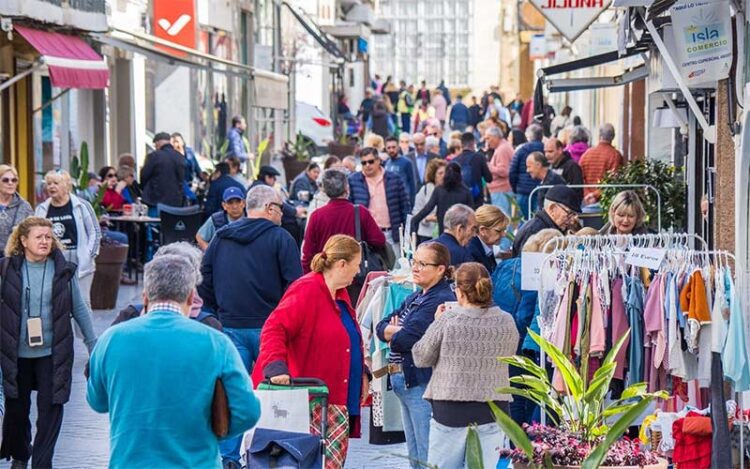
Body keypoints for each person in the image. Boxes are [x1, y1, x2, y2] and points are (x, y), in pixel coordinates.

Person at [87, 254, 261, 468]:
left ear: (145, 297)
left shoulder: (111, 339)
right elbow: (248, 411)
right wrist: (214, 432)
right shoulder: (216, 343)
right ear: (190, 297)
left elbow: (97, 401)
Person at [198, 185, 303, 466]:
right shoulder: (281, 239)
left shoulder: (221, 237)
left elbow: (204, 280)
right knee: (279, 397)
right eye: (281, 207)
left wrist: (221, 310)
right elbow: (296, 288)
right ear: (269, 208)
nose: (283, 213)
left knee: (231, 394)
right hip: (272, 330)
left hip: (231, 326)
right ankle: (277, 455)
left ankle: (228, 459)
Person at [253, 235, 368, 468]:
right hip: (310, 400)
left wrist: (363, 372)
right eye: (356, 266)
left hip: (335, 399)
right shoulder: (307, 290)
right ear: (342, 264)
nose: (358, 273)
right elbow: (274, 329)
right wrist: (276, 366)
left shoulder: (340, 293)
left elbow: (348, 338)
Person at [0, 217, 97, 469]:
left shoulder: (63, 270)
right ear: (23, 240)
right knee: (17, 410)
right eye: (39, 237)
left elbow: (80, 309)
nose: (45, 241)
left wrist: (93, 345)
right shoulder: (7, 268)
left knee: (50, 410)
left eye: (48, 237)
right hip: (15, 353)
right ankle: (21, 455)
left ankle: (43, 463)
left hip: (53, 353)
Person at [413, 262, 518, 469]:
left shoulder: (448, 320)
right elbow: (510, 354)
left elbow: (421, 357)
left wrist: (436, 322)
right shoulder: (506, 321)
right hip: (494, 408)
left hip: (450, 409)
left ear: (459, 291)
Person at [375, 242, 456, 469]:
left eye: (423, 263)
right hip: (404, 378)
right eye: (414, 262)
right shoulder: (416, 297)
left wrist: (395, 332)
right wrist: (393, 331)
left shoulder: (438, 299)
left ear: (440, 269)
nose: (415, 268)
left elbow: (407, 339)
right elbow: (380, 326)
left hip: (419, 379)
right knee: (414, 449)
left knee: (425, 449)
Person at [493, 228, 562, 425]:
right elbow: (526, 313)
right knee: (533, 395)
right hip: (527, 341)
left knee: (515, 393)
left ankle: (516, 445)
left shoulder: (507, 266)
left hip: (503, 335)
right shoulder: (542, 273)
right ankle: (527, 446)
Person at [35, 170, 101, 308]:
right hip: (54, 260)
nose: (51, 187)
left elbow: (94, 231)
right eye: (49, 184)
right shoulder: (42, 209)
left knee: (81, 305)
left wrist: (89, 255)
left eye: (56, 183)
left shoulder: (82, 206)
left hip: (78, 258)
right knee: (56, 304)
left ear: (66, 186)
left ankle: (84, 331)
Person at [302, 169, 385, 273]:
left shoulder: (316, 216)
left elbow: (308, 254)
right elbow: (379, 240)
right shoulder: (360, 212)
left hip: (328, 277)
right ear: (346, 188)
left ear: (325, 191)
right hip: (356, 274)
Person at [348, 147, 410, 253]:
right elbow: (349, 208)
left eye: (371, 161)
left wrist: (406, 232)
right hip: (365, 235)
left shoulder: (394, 179)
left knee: (395, 268)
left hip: (391, 233)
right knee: (369, 268)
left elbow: (405, 206)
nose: (367, 165)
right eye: (364, 163)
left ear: (378, 161)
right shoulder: (353, 180)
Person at [511, 185, 581, 256]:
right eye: (569, 213)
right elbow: (524, 264)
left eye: (574, 214)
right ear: (552, 208)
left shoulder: (546, 226)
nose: (572, 221)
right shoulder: (534, 231)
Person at [410, 163, 473, 236]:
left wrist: (414, 220)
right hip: (461, 233)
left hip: (443, 233)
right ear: (460, 174)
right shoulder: (465, 192)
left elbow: (427, 208)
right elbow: (470, 213)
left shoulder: (439, 190)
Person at [579, 123, 624, 205]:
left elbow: (580, 178)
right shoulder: (615, 155)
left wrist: (588, 194)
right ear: (613, 136)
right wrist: (596, 195)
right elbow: (614, 181)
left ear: (599, 136)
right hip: (606, 201)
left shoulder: (586, 155)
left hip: (586, 201)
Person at [140, 132, 185, 210]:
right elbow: (181, 178)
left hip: (154, 199)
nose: (155, 147)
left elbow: (144, 176)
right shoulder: (180, 157)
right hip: (174, 202)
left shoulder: (153, 156)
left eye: (155, 145)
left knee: (154, 221)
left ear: (158, 142)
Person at [509, 123, 544, 218]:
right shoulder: (546, 149)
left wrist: (515, 188)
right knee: (540, 220)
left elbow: (512, 171)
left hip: (523, 191)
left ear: (528, 136)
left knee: (524, 220)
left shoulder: (521, 150)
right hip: (541, 190)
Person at [412, 159, 448, 244]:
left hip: (444, 233)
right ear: (433, 175)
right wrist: (426, 219)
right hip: (426, 234)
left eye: (445, 173)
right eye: (440, 173)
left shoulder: (448, 190)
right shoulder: (424, 190)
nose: (444, 176)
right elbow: (416, 212)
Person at [453, 132, 493, 208]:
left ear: (461, 144)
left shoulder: (454, 161)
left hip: (459, 199)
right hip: (476, 198)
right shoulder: (479, 157)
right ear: (473, 143)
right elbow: (489, 178)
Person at [0, 165, 33, 253]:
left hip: (15, 257)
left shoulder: (25, 206)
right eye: (5, 180)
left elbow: (31, 234)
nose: (10, 183)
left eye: (14, 180)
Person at [468, 205, 509, 273]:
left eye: (504, 230)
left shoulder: (485, 246)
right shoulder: (472, 253)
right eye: (498, 231)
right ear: (483, 230)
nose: (503, 235)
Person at [485, 127, 514, 216]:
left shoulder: (502, 149)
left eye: (488, 138)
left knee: (502, 219)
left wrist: (488, 166)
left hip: (501, 190)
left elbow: (504, 171)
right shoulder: (503, 147)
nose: (487, 142)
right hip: (501, 190)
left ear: (496, 137)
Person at [545, 137, 584, 203]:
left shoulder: (572, 166)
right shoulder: (549, 166)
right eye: (545, 151)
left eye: (550, 151)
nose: (547, 155)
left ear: (560, 150)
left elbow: (577, 190)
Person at [171, 132, 202, 203]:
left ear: (182, 142)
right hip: (178, 184)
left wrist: (202, 179)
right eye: (174, 142)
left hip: (190, 183)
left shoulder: (189, 152)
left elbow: (197, 168)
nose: (176, 144)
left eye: (177, 141)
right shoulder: (171, 155)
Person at [385, 136, 416, 202]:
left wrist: (411, 202)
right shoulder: (386, 163)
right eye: (389, 148)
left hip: (403, 200)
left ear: (398, 147)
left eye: (393, 147)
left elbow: (412, 184)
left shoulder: (407, 162)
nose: (391, 150)